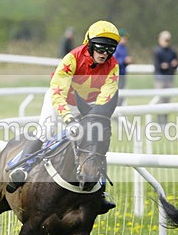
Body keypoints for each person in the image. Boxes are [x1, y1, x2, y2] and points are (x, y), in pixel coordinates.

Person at [7, 19, 121, 209]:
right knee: (46, 132)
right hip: (59, 99)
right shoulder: (72, 58)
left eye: (110, 50)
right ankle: (21, 169)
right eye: (100, 48)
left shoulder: (113, 66)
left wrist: (93, 119)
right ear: (90, 45)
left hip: (87, 105)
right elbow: (58, 92)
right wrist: (68, 119)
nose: (104, 54)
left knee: (95, 139)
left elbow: (106, 96)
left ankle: (99, 192)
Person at [152, 30, 178, 125]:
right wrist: (167, 65)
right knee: (160, 100)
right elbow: (158, 66)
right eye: (165, 40)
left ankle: (165, 121)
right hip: (160, 79)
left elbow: (176, 63)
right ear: (160, 40)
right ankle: (160, 121)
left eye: (168, 40)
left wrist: (171, 65)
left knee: (167, 101)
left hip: (169, 78)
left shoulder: (172, 51)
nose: (166, 42)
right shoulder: (157, 51)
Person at [113, 28, 133, 92]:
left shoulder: (124, 48)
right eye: (124, 38)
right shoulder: (116, 47)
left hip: (122, 73)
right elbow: (113, 61)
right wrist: (124, 61)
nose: (126, 40)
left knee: (122, 92)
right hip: (116, 75)